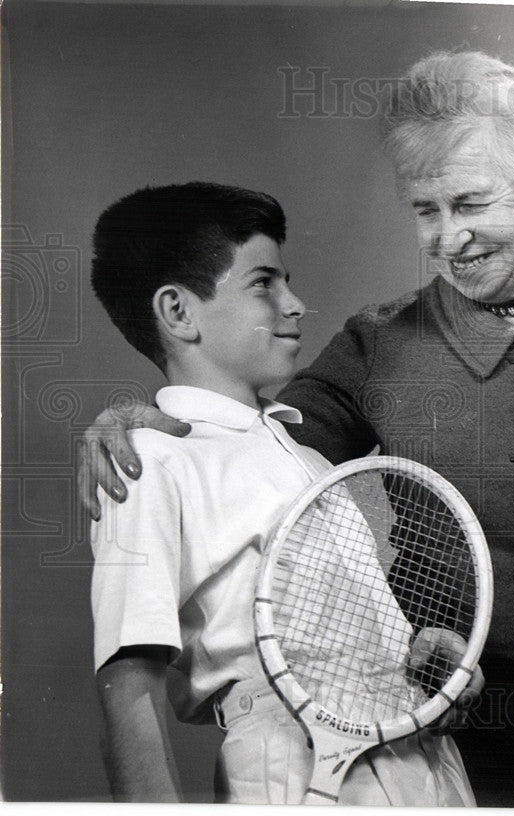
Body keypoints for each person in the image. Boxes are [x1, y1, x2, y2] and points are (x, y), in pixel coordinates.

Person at [77, 53, 514, 808]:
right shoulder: (380, 342)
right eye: (424, 211)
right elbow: (259, 440)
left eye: (469, 203)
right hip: (453, 730)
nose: (445, 238)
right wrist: (139, 417)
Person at [87, 181, 478, 805]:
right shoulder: (150, 458)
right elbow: (129, 683)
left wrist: (418, 655)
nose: (295, 304)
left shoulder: (314, 458)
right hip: (292, 763)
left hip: (424, 760)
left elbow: (341, 624)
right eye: (263, 283)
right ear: (178, 312)